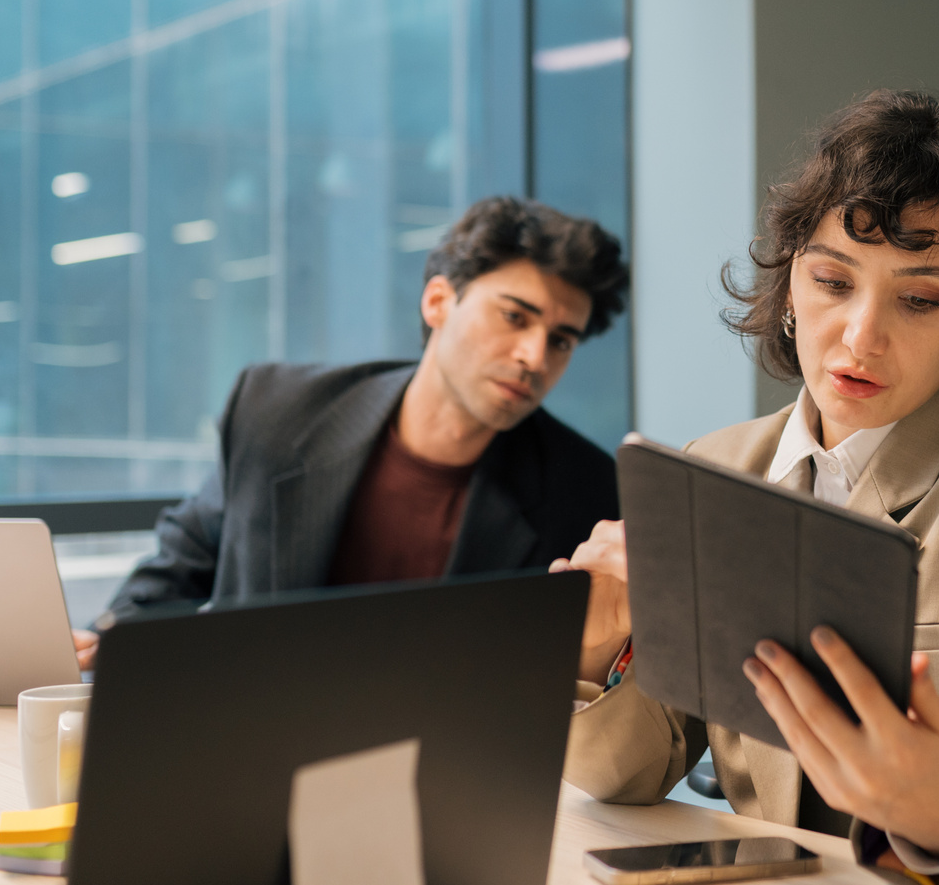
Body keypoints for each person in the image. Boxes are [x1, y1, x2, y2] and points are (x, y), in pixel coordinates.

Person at [559, 92, 939, 885]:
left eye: (920, 298)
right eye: (832, 280)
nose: (861, 335)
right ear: (789, 284)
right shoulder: (714, 468)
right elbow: (637, 769)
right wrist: (589, 650)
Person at [81, 196, 628, 664]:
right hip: (248, 740)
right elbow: (185, 560)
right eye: (515, 316)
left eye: (561, 340)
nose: (534, 356)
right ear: (438, 301)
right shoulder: (278, 410)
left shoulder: (584, 489)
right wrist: (105, 643)